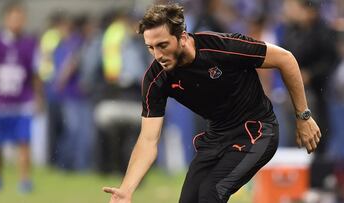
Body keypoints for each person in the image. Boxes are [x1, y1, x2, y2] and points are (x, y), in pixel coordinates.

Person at [103, 3, 321, 203]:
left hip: (257, 131)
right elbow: (148, 140)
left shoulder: (222, 47)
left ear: (183, 37)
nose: (157, 55)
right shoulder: (155, 80)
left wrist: (304, 116)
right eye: (150, 48)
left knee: (211, 192)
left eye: (162, 45)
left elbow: (286, 59)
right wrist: (127, 188)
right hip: (217, 137)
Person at [0, 1, 42, 193]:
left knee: (24, 142)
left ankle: (25, 181)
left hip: (22, 102)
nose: (16, 22)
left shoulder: (29, 43)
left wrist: (38, 98)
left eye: (20, 18)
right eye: (13, 18)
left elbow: (35, 73)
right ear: (6, 19)